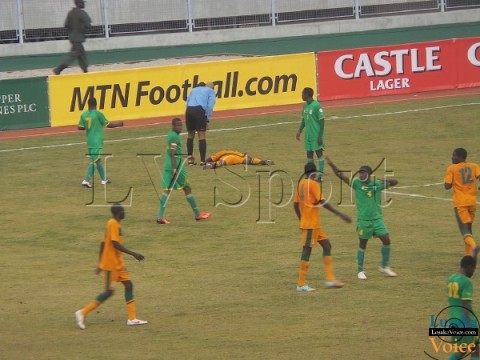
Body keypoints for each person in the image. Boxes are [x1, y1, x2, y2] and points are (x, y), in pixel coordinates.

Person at [75, 204, 148, 329]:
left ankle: (132, 318)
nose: (125, 212)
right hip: (111, 266)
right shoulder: (113, 223)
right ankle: (82, 313)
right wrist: (134, 254)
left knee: (129, 285)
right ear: (118, 213)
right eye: (123, 211)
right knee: (109, 292)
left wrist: (99, 263)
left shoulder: (114, 224)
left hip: (119, 264)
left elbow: (103, 243)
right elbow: (115, 244)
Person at [326, 156, 398, 280]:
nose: (361, 175)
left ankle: (385, 266)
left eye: (364, 173)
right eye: (360, 173)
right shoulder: (356, 184)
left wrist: (381, 180)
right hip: (363, 221)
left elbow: (395, 182)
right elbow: (341, 175)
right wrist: (332, 165)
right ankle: (360, 271)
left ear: (369, 175)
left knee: (386, 240)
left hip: (377, 220)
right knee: (363, 244)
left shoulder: (377, 184)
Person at [293, 162, 351, 291]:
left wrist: (300, 220)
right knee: (306, 251)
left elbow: (295, 205)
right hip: (311, 225)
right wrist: (340, 214)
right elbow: (323, 202)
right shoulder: (313, 184)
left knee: (327, 245)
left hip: (313, 225)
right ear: (312, 173)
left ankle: (330, 279)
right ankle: (301, 284)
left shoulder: (300, 184)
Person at [157, 118, 210, 224]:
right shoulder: (175, 137)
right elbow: (173, 154)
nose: (180, 127)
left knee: (167, 190)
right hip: (176, 167)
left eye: (181, 125)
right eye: (177, 125)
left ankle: (160, 217)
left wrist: (187, 155)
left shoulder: (171, 134)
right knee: (187, 188)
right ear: (172, 126)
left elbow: (174, 153)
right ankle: (197, 214)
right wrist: (175, 169)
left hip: (168, 165)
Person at [78, 97, 123, 188]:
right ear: (96, 104)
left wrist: (89, 127)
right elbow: (108, 124)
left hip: (90, 141)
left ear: (88, 105)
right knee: (95, 161)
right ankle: (86, 181)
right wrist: (119, 124)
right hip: (97, 141)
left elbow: (80, 127)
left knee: (97, 160)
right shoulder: (98, 114)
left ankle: (104, 179)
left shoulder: (84, 115)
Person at [444, 148, 480, 256]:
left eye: (454, 155)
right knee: (468, 230)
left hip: (460, 204)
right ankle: (467, 256)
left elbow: (447, 186)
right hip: (472, 203)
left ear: (460, 157)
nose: (452, 157)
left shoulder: (452, 168)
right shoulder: (474, 166)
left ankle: (474, 248)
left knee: (464, 231)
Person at [446, 251, 480, 360]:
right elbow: (465, 305)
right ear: (469, 267)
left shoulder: (451, 278)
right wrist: (468, 325)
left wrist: (475, 251)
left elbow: (470, 262)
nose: (473, 272)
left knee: (461, 351)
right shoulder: (466, 282)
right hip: (464, 321)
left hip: (453, 321)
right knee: (475, 350)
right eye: (473, 269)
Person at [53, 0, 92, 75]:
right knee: (73, 55)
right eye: (83, 2)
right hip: (79, 38)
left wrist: (72, 32)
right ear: (79, 3)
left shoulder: (70, 13)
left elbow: (66, 25)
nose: (84, 3)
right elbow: (88, 25)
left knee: (81, 54)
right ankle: (58, 69)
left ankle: (85, 71)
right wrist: (82, 30)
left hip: (73, 37)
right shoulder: (82, 13)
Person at [296, 87, 326, 176]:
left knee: (319, 153)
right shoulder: (305, 106)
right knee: (309, 154)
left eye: (302, 94)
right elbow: (304, 120)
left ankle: (320, 176)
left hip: (316, 135)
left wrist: (320, 136)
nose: (301, 95)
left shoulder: (317, 105)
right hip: (308, 135)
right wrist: (299, 131)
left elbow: (322, 121)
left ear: (307, 95)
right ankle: (311, 174)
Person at [185, 82, 217, 166]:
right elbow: (210, 105)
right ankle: (203, 161)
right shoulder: (210, 91)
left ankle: (190, 159)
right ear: (212, 88)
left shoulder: (193, 89)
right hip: (199, 110)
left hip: (189, 110)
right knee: (201, 136)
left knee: (190, 135)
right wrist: (207, 119)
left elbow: (187, 101)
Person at [202, 149, 274, 169]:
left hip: (228, 157)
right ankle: (263, 161)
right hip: (240, 157)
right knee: (250, 161)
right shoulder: (236, 152)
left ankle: (212, 165)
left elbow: (211, 158)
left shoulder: (222, 152)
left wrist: (205, 162)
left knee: (221, 162)